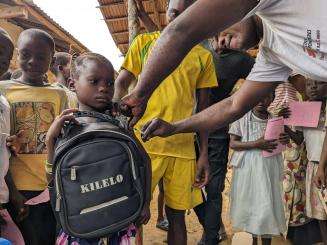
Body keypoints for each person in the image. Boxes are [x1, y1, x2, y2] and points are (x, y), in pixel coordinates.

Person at [120, 0, 327, 144]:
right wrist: (175, 128)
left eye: (214, 30)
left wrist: (140, 94)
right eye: (212, 39)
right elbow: (233, 105)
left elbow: (181, 31)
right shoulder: (273, 56)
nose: (219, 42)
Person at [114, 0, 218, 243]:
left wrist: (203, 153)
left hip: (182, 149)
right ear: (166, 14)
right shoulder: (143, 43)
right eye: (174, 13)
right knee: (134, 212)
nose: (178, 18)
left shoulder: (204, 57)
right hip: (143, 145)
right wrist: (116, 122)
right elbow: (121, 82)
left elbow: (204, 110)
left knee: (177, 216)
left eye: (185, 14)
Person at [45, 52, 151, 244]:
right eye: (94, 81)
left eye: (110, 83)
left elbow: (144, 160)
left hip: (119, 222)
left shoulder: (120, 122)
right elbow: (53, 181)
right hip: (80, 228)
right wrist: (50, 140)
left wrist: (145, 203)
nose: (103, 88)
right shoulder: (64, 126)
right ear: (72, 84)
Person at [0, 28, 68, 245]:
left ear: (51, 60)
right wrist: (12, 191)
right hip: (16, 186)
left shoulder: (59, 94)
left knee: (48, 236)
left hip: (49, 184)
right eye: (25, 54)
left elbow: (63, 137)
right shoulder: (4, 91)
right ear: (17, 54)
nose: (32, 61)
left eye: (41, 57)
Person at [194, 37, 255, 245]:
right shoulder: (197, 46)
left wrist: (237, 99)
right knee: (187, 188)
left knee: (213, 189)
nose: (223, 40)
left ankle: (210, 237)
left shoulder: (242, 60)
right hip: (186, 130)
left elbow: (266, 81)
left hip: (217, 133)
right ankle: (213, 227)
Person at [229, 93, 286, 245]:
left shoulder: (274, 119)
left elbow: (279, 142)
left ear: (272, 99)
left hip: (269, 167)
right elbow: (233, 144)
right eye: (258, 97)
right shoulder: (242, 117)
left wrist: (283, 139)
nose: (261, 100)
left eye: (266, 97)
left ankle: (266, 241)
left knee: (267, 204)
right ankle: (254, 240)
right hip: (248, 169)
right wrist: (255, 144)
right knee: (252, 204)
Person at [270, 80, 322, 245]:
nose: (312, 87)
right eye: (308, 84)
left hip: (309, 161)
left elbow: (300, 139)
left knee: (304, 196)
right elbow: (297, 138)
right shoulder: (300, 109)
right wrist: (283, 124)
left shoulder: (305, 107)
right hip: (298, 162)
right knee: (294, 194)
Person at [0, 27, 25, 245]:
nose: (2, 60)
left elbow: (3, 155)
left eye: (7, 56)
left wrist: (11, 145)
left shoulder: (3, 104)